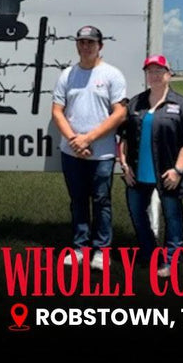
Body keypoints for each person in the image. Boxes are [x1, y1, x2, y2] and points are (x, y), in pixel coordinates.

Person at [52, 25, 128, 270]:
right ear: (77, 45)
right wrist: (75, 140)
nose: (86, 47)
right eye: (82, 42)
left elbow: (119, 113)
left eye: (91, 43)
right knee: (78, 201)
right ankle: (80, 248)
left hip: (102, 153)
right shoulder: (67, 75)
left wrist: (89, 138)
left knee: (102, 201)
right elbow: (57, 112)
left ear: (100, 46)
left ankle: (102, 251)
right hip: (71, 152)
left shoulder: (112, 75)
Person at [118, 54, 183, 277]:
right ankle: (151, 253)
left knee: (173, 216)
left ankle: (172, 259)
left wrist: (178, 171)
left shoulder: (182, 105)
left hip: (168, 175)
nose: (154, 75)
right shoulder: (135, 103)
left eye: (159, 71)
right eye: (149, 71)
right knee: (137, 213)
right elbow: (123, 138)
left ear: (168, 74)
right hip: (137, 173)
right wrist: (124, 165)